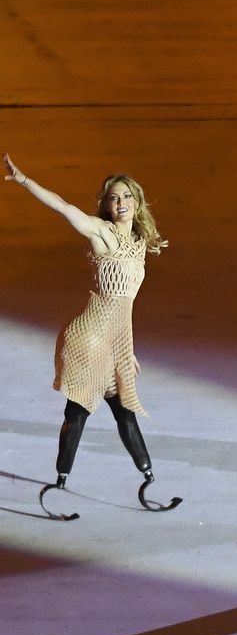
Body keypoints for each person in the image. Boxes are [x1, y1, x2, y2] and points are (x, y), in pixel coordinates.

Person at [3, 153, 179, 516]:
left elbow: (123, 307)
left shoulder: (140, 243)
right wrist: (24, 181)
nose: (120, 203)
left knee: (124, 410)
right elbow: (64, 207)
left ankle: (147, 476)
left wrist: (124, 349)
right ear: (106, 204)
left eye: (127, 196)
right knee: (79, 410)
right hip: (87, 338)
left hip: (112, 340)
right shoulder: (101, 233)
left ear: (137, 201)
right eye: (113, 197)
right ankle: (61, 480)